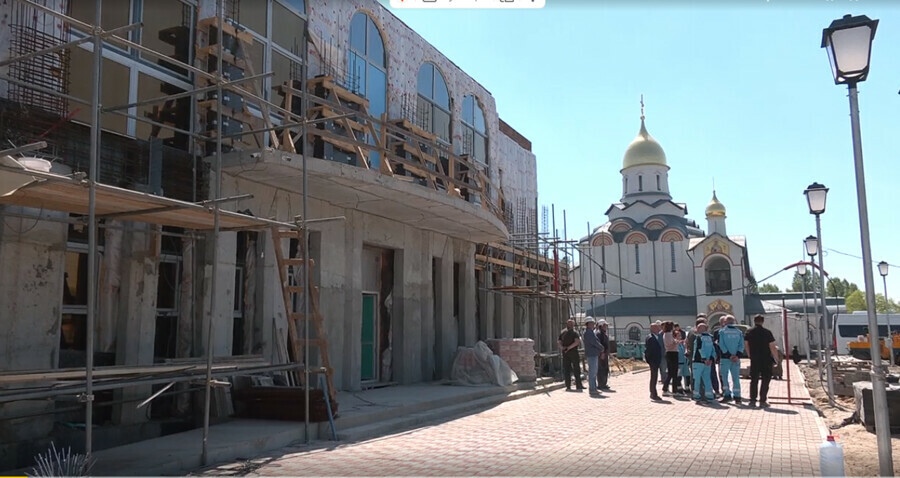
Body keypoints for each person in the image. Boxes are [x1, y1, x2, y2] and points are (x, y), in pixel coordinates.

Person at [745, 314, 778, 408]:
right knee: (765, 379)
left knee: (754, 379)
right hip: (766, 359)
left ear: (754, 321)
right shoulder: (767, 332)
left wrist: (749, 355)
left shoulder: (749, 331)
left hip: (755, 359)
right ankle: (762, 400)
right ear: (763, 321)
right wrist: (776, 358)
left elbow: (746, 344)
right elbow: (772, 346)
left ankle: (752, 400)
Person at [717, 315, 745, 404]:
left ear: (725, 322)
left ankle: (727, 395)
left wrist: (729, 355)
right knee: (736, 378)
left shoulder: (722, 332)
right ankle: (737, 396)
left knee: (724, 377)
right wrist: (737, 355)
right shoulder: (739, 332)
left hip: (725, 358)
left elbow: (721, 345)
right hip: (736, 359)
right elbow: (741, 345)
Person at [691, 322, 716, 403]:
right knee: (707, 379)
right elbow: (713, 350)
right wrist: (711, 359)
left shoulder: (699, 337)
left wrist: (704, 358)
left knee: (697, 379)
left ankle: (696, 396)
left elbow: (700, 348)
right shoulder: (710, 338)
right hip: (708, 362)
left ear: (700, 329)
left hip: (698, 361)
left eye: (698, 328)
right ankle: (709, 396)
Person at [558, 319, 584, 391]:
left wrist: (563, 348)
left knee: (567, 369)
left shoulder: (563, 332)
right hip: (573, 352)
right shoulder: (574, 333)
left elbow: (559, 342)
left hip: (565, 353)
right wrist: (568, 348)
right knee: (576, 369)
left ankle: (568, 386)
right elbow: (577, 342)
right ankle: (578, 385)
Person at [581, 317, 604, 396]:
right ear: (588, 324)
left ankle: (594, 387)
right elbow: (594, 342)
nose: (593, 324)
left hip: (593, 354)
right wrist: (601, 347)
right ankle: (592, 388)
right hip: (592, 354)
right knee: (592, 372)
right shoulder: (588, 333)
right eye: (592, 323)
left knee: (594, 372)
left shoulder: (590, 332)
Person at [644, 322, 663, 401]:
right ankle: (653, 393)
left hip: (656, 360)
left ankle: (653, 393)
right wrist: (650, 361)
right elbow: (648, 351)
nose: (659, 328)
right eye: (657, 327)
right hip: (653, 361)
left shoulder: (656, 337)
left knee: (655, 377)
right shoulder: (651, 338)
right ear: (653, 329)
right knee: (654, 377)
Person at [662, 321, 681, 395]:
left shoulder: (667, 334)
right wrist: (677, 341)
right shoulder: (668, 334)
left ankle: (666, 388)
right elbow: (670, 344)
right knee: (673, 372)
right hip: (672, 353)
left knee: (671, 373)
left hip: (671, 353)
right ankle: (674, 390)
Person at [597, 319, 611, 390]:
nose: (606, 327)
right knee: (601, 369)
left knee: (605, 369)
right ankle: (601, 384)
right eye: (605, 325)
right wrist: (602, 353)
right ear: (601, 326)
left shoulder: (604, 333)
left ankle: (604, 383)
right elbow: (600, 344)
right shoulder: (599, 334)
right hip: (602, 355)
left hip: (605, 355)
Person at [653, 320, 668, 386]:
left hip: (668, 353)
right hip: (663, 353)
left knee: (667, 367)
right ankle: (664, 379)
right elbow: (660, 344)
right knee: (663, 367)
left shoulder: (667, 333)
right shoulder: (660, 334)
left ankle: (666, 379)